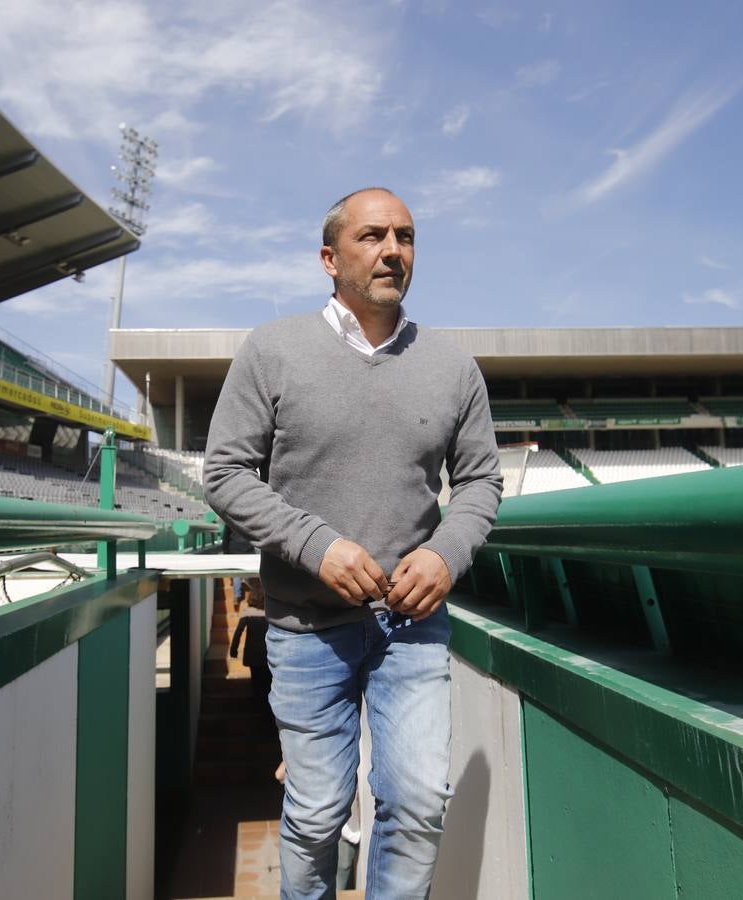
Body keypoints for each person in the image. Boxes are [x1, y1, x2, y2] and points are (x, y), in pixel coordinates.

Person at [204, 187, 502, 899]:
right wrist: (316, 546)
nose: (393, 250)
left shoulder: (453, 366)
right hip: (305, 628)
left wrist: (445, 552)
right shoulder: (271, 351)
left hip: (413, 627)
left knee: (420, 802)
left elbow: (482, 483)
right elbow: (224, 472)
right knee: (315, 814)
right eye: (372, 236)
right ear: (330, 259)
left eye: (405, 236)